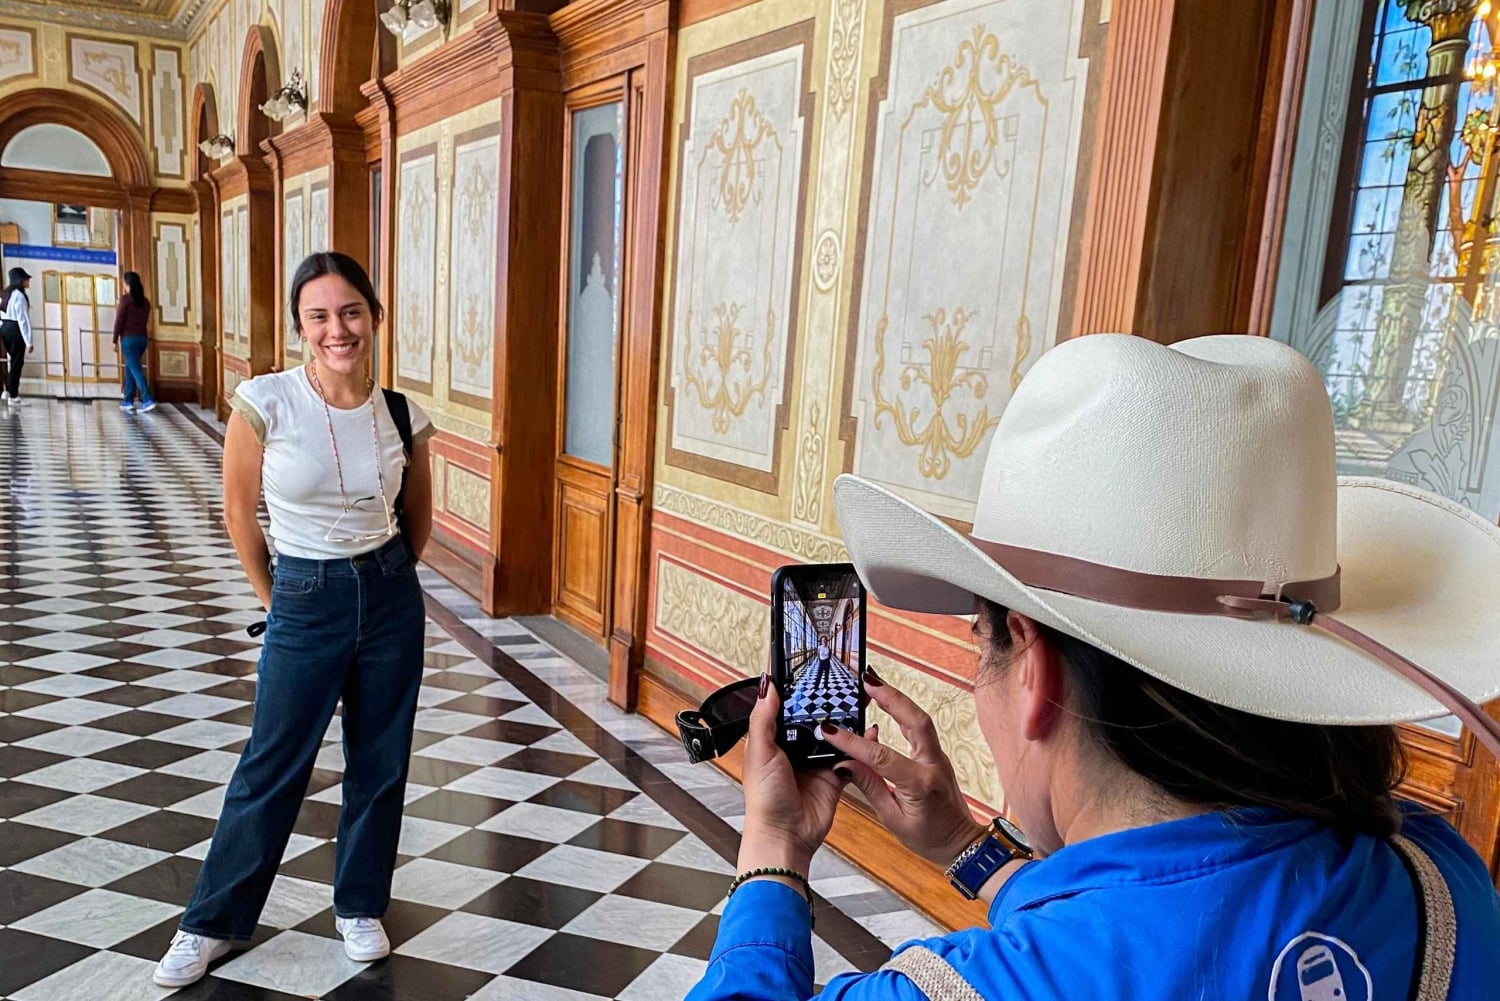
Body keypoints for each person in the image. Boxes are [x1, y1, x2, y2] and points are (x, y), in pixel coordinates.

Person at [687, 333, 1500, 1000]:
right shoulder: (1443, 881)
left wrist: (773, 847)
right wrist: (969, 847)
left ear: (1034, 667)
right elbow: (1167, 918)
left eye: (980, 641)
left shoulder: (979, 988)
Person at [154, 251, 435, 989]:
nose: (336, 329)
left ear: (373, 315)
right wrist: (274, 597)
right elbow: (237, 512)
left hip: (390, 597)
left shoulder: (402, 413)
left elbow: (418, 517)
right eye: (319, 315)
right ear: (300, 326)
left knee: (381, 758)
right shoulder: (266, 400)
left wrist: (389, 579)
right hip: (304, 594)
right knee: (273, 762)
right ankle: (210, 922)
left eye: (350, 311)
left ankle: (360, 905)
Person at [114, 271, 156, 412]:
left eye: (124, 284)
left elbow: (119, 321)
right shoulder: (145, 302)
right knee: (130, 367)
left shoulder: (125, 300)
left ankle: (147, 398)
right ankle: (128, 399)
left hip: (129, 340)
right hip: (142, 339)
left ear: (127, 284)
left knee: (135, 369)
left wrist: (114, 340)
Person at [1, 267, 33, 407]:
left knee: (11, 361)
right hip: (15, 330)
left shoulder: (4, 294)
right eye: (26, 278)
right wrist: (29, 341)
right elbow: (23, 320)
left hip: (4, 328)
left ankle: (7, 390)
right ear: (20, 280)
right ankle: (14, 397)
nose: (28, 281)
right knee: (16, 364)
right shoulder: (19, 296)